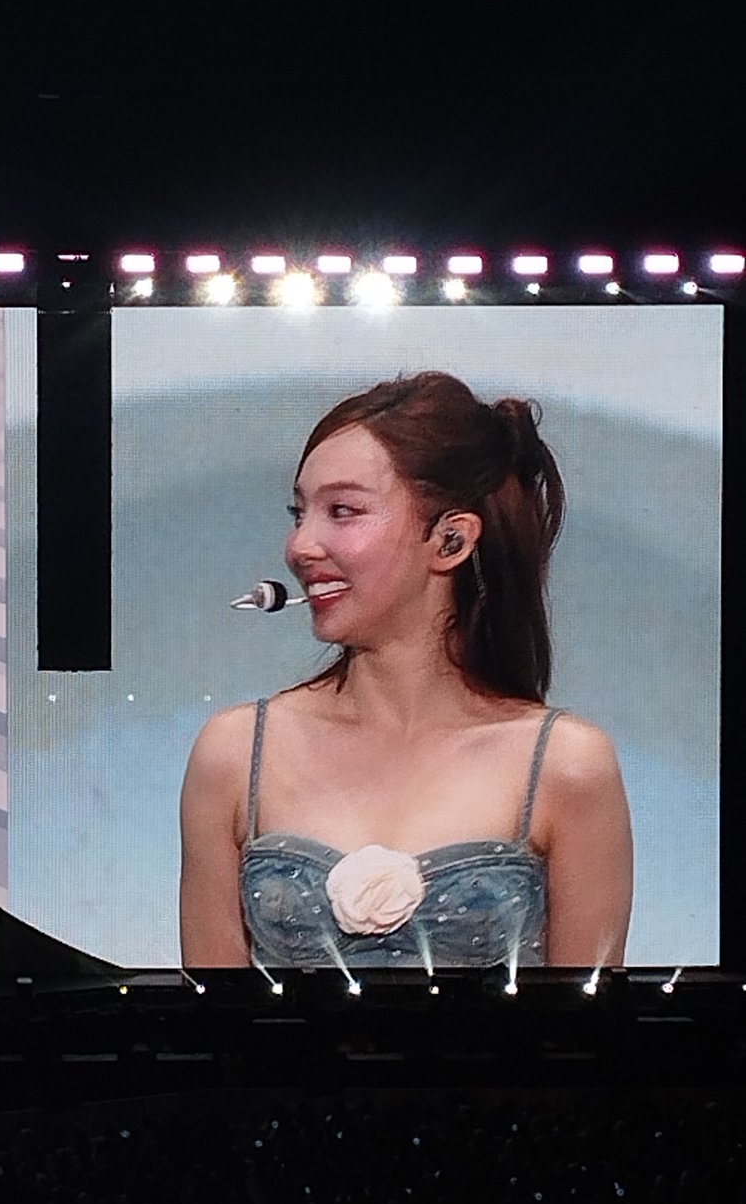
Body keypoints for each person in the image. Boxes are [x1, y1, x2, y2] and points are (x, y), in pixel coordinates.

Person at [180, 372, 633, 971]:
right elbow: (211, 1016)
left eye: (342, 511)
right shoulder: (235, 753)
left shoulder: (566, 765)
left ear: (450, 541)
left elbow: (588, 1023)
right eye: (299, 513)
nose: (300, 546)